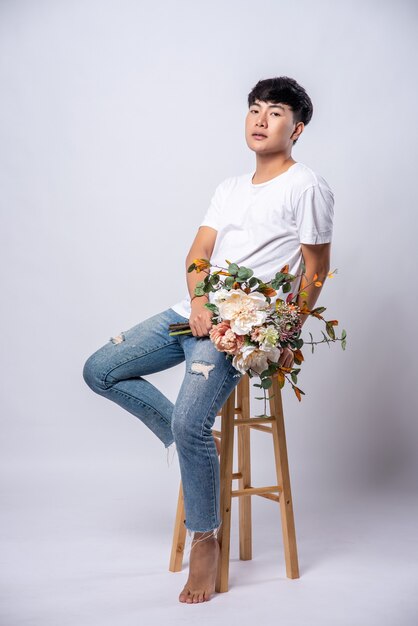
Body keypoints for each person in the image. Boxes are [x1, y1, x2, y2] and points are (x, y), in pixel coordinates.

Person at [82, 75, 334, 604]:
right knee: (100, 369)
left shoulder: (306, 187)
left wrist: (286, 331)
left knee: (189, 417)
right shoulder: (229, 188)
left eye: (276, 112)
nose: (261, 119)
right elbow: (198, 255)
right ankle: (190, 441)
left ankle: (205, 539)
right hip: (193, 314)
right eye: (255, 110)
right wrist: (197, 302)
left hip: (240, 328)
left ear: (298, 127)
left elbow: (316, 268)